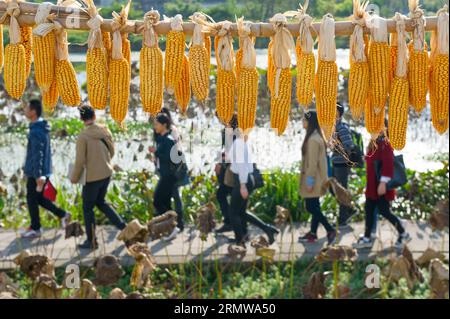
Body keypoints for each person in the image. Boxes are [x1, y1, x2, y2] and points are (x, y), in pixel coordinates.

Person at [70, 105, 126, 250]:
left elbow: (80, 161)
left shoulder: (83, 137)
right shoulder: (105, 130)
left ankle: (91, 241)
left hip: (92, 178)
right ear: (94, 116)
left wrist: (74, 178)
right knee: (101, 202)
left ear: (81, 118)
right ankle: (124, 227)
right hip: (106, 174)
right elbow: (112, 151)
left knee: (87, 208)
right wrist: (104, 162)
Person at [21, 99, 71, 239]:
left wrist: (38, 176)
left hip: (37, 173)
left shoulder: (36, 130)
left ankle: (36, 228)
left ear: (33, 112)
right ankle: (63, 215)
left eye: (27, 108)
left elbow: (38, 154)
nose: (25, 111)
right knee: (40, 199)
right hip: (42, 171)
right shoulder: (41, 127)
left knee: (32, 200)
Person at [354, 126, 411, 249]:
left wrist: (383, 182)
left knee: (385, 211)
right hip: (372, 186)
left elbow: (388, 163)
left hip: (380, 186)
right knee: (368, 210)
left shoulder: (385, 144)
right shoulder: (374, 143)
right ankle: (367, 237)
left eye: (378, 128)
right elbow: (373, 160)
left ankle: (403, 233)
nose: (374, 130)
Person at [225, 120, 279, 245]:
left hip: (242, 180)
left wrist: (242, 185)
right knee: (241, 212)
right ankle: (267, 229)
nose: (226, 128)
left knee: (233, 212)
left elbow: (242, 166)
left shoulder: (238, 143)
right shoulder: (239, 142)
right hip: (245, 179)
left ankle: (240, 241)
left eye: (228, 126)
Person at [298, 109, 336, 245]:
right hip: (318, 178)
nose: (302, 122)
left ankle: (330, 229)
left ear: (309, 122)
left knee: (311, 207)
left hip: (313, 180)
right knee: (315, 206)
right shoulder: (316, 136)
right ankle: (313, 233)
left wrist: (309, 181)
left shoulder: (313, 140)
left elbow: (312, 164)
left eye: (304, 120)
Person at [149, 112, 182, 241]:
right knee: (166, 203)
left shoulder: (168, 140)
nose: (155, 126)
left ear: (164, 125)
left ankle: (173, 227)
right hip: (166, 175)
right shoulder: (163, 138)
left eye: (157, 124)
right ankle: (172, 228)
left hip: (168, 176)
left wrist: (155, 152)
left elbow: (170, 158)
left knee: (157, 200)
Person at [330, 103, 357, 228]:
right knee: (334, 189)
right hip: (335, 162)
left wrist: (338, 147)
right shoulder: (333, 127)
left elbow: (349, 145)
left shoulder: (342, 128)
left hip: (342, 164)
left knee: (341, 190)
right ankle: (349, 210)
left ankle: (343, 219)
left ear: (338, 114)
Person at [159, 107, 186, 235]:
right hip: (166, 169)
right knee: (168, 196)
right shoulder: (162, 132)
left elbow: (177, 152)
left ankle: (179, 223)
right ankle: (171, 223)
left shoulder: (172, 131)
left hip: (173, 170)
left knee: (175, 195)